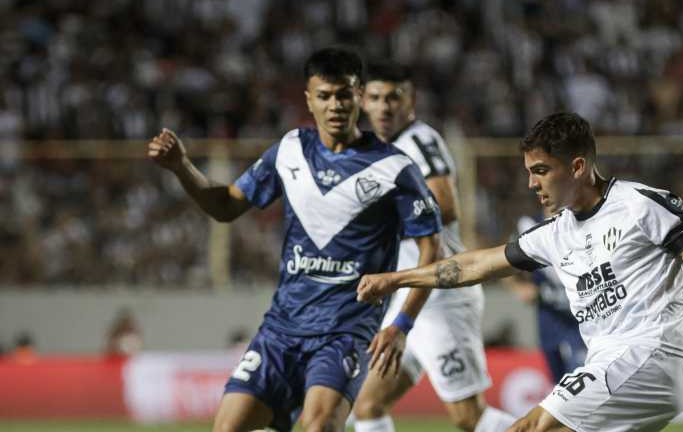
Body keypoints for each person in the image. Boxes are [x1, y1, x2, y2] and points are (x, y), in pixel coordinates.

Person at [358, 112, 683, 432]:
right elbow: (475, 264)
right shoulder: (555, 232)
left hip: (651, 354)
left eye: (542, 170)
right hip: (608, 361)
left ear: (579, 166)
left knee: (531, 428)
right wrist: (397, 278)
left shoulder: (639, 205)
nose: (531, 183)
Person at [147, 46, 444, 432]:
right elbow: (225, 207)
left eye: (344, 94)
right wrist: (181, 167)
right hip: (281, 331)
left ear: (359, 96)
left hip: (344, 333)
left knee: (318, 427)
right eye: (324, 96)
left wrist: (401, 323)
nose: (335, 105)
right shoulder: (290, 150)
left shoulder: (394, 168)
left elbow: (430, 246)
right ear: (309, 99)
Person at [351, 60, 517, 432]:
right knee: (367, 405)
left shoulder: (419, 141)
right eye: (375, 97)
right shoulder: (382, 147)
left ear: (410, 98)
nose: (384, 107)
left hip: (441, 297)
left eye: (394, 97)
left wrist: (378, 223)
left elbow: (444, 204)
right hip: (410, 295)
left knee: (469, 418)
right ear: (363, 101)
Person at [505, 211, 587, 383]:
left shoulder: (579, 223)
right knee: (557, 383)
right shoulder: (529, 227)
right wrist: (519, 287)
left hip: (578, 325)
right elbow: (506, 264)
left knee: (576, 385)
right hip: (548, 323)